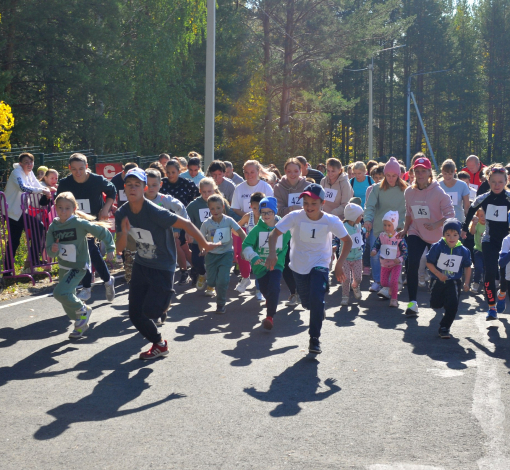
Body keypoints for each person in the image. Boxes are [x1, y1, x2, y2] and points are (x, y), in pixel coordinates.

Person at [115, 168, 218, 359]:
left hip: (163, 264)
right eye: (129, 185)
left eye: (137, 185)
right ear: (124, 188)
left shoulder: (155, 211)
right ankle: (159, 344)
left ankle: (164, 298)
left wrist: (204, 243)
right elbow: (120, 248)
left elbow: (186, 224)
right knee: (135, 314)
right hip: (142, 263)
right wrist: (122, 231)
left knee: (151, 310)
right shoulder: (122, 213)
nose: (132, 188)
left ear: (144, 188)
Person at [265, 183, 353, 354]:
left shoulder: (331, 220)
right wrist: (272, 254)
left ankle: (314, 339)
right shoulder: (295, 216)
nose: (309, 207)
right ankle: (317, 307)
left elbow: (347, 241)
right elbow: (274, 234)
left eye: (313, 203)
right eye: (306, 203)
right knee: (308, 303)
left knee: (316, 296)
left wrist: (339, 264)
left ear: (322, 203)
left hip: (320, 262)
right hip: (299, 265)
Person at [46, 192, 116, 339]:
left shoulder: (78, 223)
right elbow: (50, 252)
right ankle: (81, 322)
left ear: (74, 208)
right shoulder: (54, 226)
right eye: (60, 208)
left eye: (67, 208)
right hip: (64, 267)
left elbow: (102, 231)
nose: (63, 211)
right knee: (66, 298)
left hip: (79, 266)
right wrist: (53, 249)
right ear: (55, 208)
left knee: (59, 293)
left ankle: (82, 310)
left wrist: (110, 248)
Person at [397, 156, 454, 317]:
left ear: (430, 172)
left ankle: (441, 295)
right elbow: (409, 213)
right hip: (416, 231)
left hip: (436, 235)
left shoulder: (438, 192)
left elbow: (450, 214)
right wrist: (406, 229)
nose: (420, 174)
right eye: (417, 171)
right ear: (413, 173)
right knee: (412, 262)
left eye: (423, 171)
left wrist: (437, 224)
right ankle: (412, 303)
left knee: (439, 268)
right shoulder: (409, 192)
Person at [57, 153, 117, 302]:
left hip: (93, 221)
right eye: (74, 169)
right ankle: (106, 280)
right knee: (85, 253)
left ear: (87, 167)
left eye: (81, 169)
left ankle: (88, 287)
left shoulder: (97, 180)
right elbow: (59, 202)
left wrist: (106, 208)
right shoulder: (65, 183)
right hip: (74, 222)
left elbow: (112, 191)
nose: (78, 172)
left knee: (89, 249)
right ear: (69, 168)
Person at [462, 165, 510, 320]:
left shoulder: (508, 197)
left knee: (505, 275)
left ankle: (502, 293)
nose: (497, 185)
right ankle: (491, 307)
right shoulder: (483, 198)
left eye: (500, 182)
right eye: (494, 182)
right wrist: (464, 228)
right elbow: (470, 210)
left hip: (506, 242)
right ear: (488, 181)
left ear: (505, 182)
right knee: (489, 272)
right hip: (489, 240)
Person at [242, 197, 291, 329]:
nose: (266, 215)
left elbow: (294, 240)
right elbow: (246, 244)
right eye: (263, 212)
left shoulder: (284, 228)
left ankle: (269, 317)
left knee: (274, 288)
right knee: (265, 290)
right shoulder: (257, 229)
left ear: (275, 212)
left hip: (277, 264)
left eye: (269, 212)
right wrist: (253, 256)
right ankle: (270, 301)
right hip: (260, 267)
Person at [4, 152, 53, 273]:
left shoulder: (30, 173)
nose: (29, 164)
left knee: (39, 227)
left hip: (21, 211)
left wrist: (46, 190)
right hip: (11, 212)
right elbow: (23, 187)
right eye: (26, 162)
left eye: (31, 162)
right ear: (20, 164)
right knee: (14, 240)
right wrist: (43, 190)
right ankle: (8, 270)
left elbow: (36, 185)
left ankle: (33, 261)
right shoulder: (16, 173)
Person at [364, 157, 407, 292]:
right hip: (379, 228)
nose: (391, 178)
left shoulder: (406, 189)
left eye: (394, 175)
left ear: (399, 175)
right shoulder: (376, 188)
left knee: (395, 256)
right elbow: (370, 206)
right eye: (388, 175)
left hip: (398, 229)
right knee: (376, 256)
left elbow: (409, 209)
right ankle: (377, 281)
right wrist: (367, 219)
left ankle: (392, 284)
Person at [426, 219, 471, 339]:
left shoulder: (463, 250)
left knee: (453, 305)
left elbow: (467, 267)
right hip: (437, 280)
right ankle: (440, 301)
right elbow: (429, 263)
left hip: (454, 282)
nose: (451, 238)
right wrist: (438, 274)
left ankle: (444, 327)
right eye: (448, 235)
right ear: (443, 234)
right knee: (435, 304)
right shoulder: (437, 247)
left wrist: (466, 282)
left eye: (455, 235)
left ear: (459, 235)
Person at [144, 169, 190, 288]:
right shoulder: (138, 200)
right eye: (147, 185)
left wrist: (184, 229)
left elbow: (181, 209)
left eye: (154, 185)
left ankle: (183, 273)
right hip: (146, 239)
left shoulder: (165, 199)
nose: (151, 188)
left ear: (160, 185)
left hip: (165, 238)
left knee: (166, 265)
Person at [200, 194, 245, 313]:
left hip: (226, 254)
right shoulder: (206, 224)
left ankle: (220, 304)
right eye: (212, 208)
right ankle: (208, 281)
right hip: (211, 255)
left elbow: (241, 232)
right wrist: (203, 248)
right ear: (209, 209)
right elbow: (200, 238)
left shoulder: (229, 220)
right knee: (212, 282)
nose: (216, 211)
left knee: (223, 281)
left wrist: (245, 246)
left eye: (218, 208)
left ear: (223, 207)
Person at [273, 158, 308, 305]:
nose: (292, 174)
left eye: (296, 171)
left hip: (305, 228)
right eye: (289, 171)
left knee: (303, 261)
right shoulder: (278, 187)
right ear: (285, 172)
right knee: (286, 261)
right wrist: (292, 209)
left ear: (301, 171)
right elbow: (278, 210)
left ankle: (304, 290)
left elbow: (317, 208)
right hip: (287, 228)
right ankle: (294, 293)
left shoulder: (308, 186)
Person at [370, 211, 408, 308]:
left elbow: (405, 252)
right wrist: (374, 250)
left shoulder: (399, 238)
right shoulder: (381, 236)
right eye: (385, 225)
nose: (386, 228)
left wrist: (399, 259)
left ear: (394, 225)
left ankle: (394, 299)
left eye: (389, 225)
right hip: (384, 264)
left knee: (394, 281)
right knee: (383, 283)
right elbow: (376, 245)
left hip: (396, 264)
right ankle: (392, 287)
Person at [237, 192, 265, 300]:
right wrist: (242, 238)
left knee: (259, 269)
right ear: (250, 206)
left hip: (262, 247)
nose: (257, 211)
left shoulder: (267, 216)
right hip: (249, 246)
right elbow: (236, 228)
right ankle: (245, 278)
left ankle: (259, 291)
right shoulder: (248, 216)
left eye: (260, 208)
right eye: (254, 208)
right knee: (241, 260)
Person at [338, 203, 364, 306]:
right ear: (353, 216)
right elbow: (337, 237)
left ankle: (355, 286)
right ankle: (345, 296)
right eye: (360, 215)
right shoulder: (343, 227)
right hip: (345, 257)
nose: (361, 217)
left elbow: (360, 237)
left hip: (357, 256)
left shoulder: (359, 225)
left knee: (358, 278)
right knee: (346, 278)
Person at [469, 208, 485, 293]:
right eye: (481, 216)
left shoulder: (490, 224)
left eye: (485, 215)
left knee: (487, 269)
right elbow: (472, 232)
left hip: (488, 251)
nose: (483, 218)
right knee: (478, 267)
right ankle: (475, 283)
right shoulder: (478, 225)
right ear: (477, 217)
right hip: (478, 250)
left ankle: (487, 285)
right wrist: (474, 224)